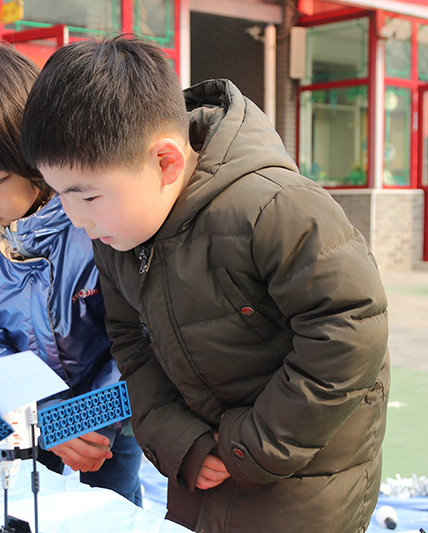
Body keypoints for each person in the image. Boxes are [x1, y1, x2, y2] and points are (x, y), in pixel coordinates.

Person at [20, 35, 389, 533]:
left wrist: (253, 443)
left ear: (165, 162)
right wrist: (179, 440)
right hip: (204, 463)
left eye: (84, 196)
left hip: (307, 474)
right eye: (61, 195)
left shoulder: (276, 208)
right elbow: (129, 344)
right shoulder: (117, 233)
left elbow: (351, 328)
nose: (74, 217)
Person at [0, 45, 143, 505]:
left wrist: (89, 419)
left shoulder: (95, 222)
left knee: (110, 511)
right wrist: (45, 418)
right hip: (23, 422)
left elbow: (140, 336)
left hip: (110, 421)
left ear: (39, 157)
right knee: (23, 508)